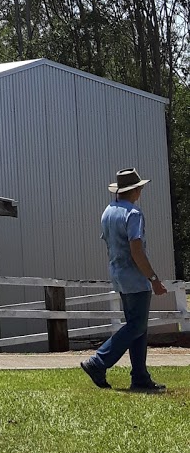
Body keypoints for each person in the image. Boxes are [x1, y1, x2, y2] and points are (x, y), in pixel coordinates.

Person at [81, 167, 168, 393]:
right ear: (135, 190)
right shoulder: (134, 214)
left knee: (138, 328)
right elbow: (137, 251)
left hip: (118, 275)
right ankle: (98, 361)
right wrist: (154, 278)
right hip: (135, 277)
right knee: (137, 325)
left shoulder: (108, 212)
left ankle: (140, 377)